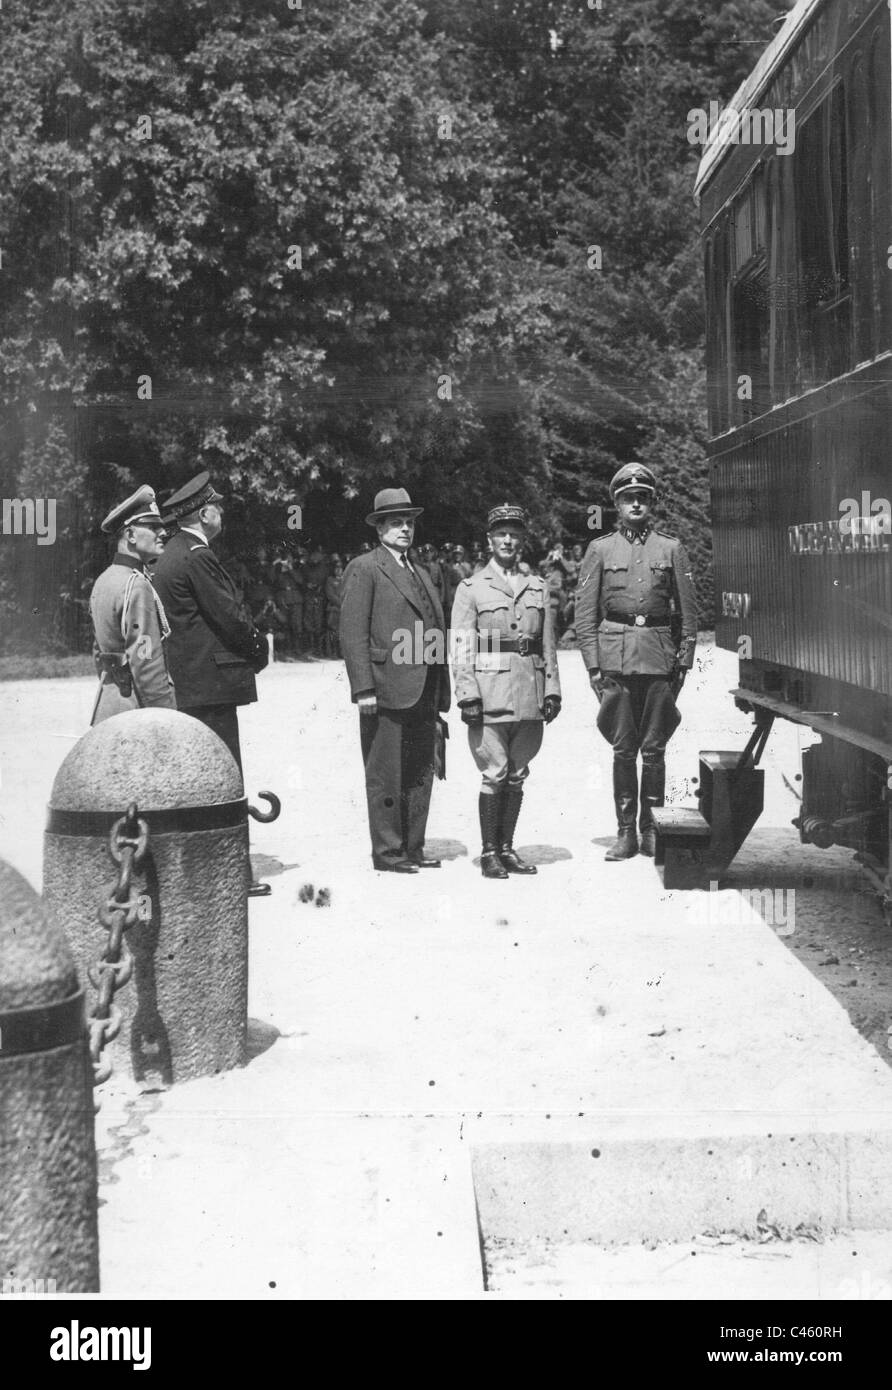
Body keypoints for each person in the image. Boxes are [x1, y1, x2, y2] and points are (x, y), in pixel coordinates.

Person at [153, 471, 271, 893]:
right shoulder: (198, 556)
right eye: (216, 507)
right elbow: (229, 615)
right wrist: (259, 649)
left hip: (190, 685)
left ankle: (203, 874)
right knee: (224, 778)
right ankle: (232, 874)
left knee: (199, 780)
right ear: (204, 513)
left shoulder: (171, 553)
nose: (221, 513)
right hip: (211, 686)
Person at [575, 463, 697, 860]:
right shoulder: (601, 549)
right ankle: (626, 832)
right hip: (616, 661)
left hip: (660, 660)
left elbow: (689, 613)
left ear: (652, 503)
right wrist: (594, 666)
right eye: (629, 498)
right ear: (617, 504)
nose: (636, 503)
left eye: (643, 497)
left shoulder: (671, 548)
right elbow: (585, 614)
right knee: (624, 748)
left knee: (655, 749)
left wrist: (683, 662)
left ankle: (652, 829)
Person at [339, 487, 451, 873]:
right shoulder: (366, 567)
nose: (405, 529)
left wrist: (442, 687)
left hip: (424, 687)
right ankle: (388, 852)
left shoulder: (421, 571)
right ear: (380, 529)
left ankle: (413, 847)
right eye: (396, 523)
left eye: (409, 522)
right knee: (385, 772)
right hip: (386, 687)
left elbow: (435, 629)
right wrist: (363, 688)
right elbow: (352, 632)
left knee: (421, 770)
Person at [451, 502, 561, 879]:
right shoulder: (471, 588)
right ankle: (489, 853)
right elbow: (462, 645)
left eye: (514, 534)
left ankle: (508, 849)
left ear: (523, 540)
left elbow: (548, 643)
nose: (508, 540)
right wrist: (467, 695)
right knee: (494, 773)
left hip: (529, 691)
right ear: (490, 539)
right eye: (501, 533)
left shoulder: (538, 586)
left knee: (518, 773)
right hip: (489, 690)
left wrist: (553, 690)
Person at [88, 485, 176, 724]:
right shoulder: (136, 584)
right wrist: (168, 719)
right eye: (153, 527)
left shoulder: (104, 580)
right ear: (130, 535)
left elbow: (99, 653)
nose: (163, 532)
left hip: (108, 707)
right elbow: (147, 665)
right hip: (138, 714)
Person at [324, 556, 344, 657]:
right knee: (332, 631)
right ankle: (332, 652)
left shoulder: (347, 579)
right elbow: (330, 595)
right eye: (336, 568)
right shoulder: (330, 580)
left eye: (340, 568)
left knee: (343, 632)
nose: (338, 570)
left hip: (345, 610)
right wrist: (342, 604)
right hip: (334, 609)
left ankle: (341, 652)